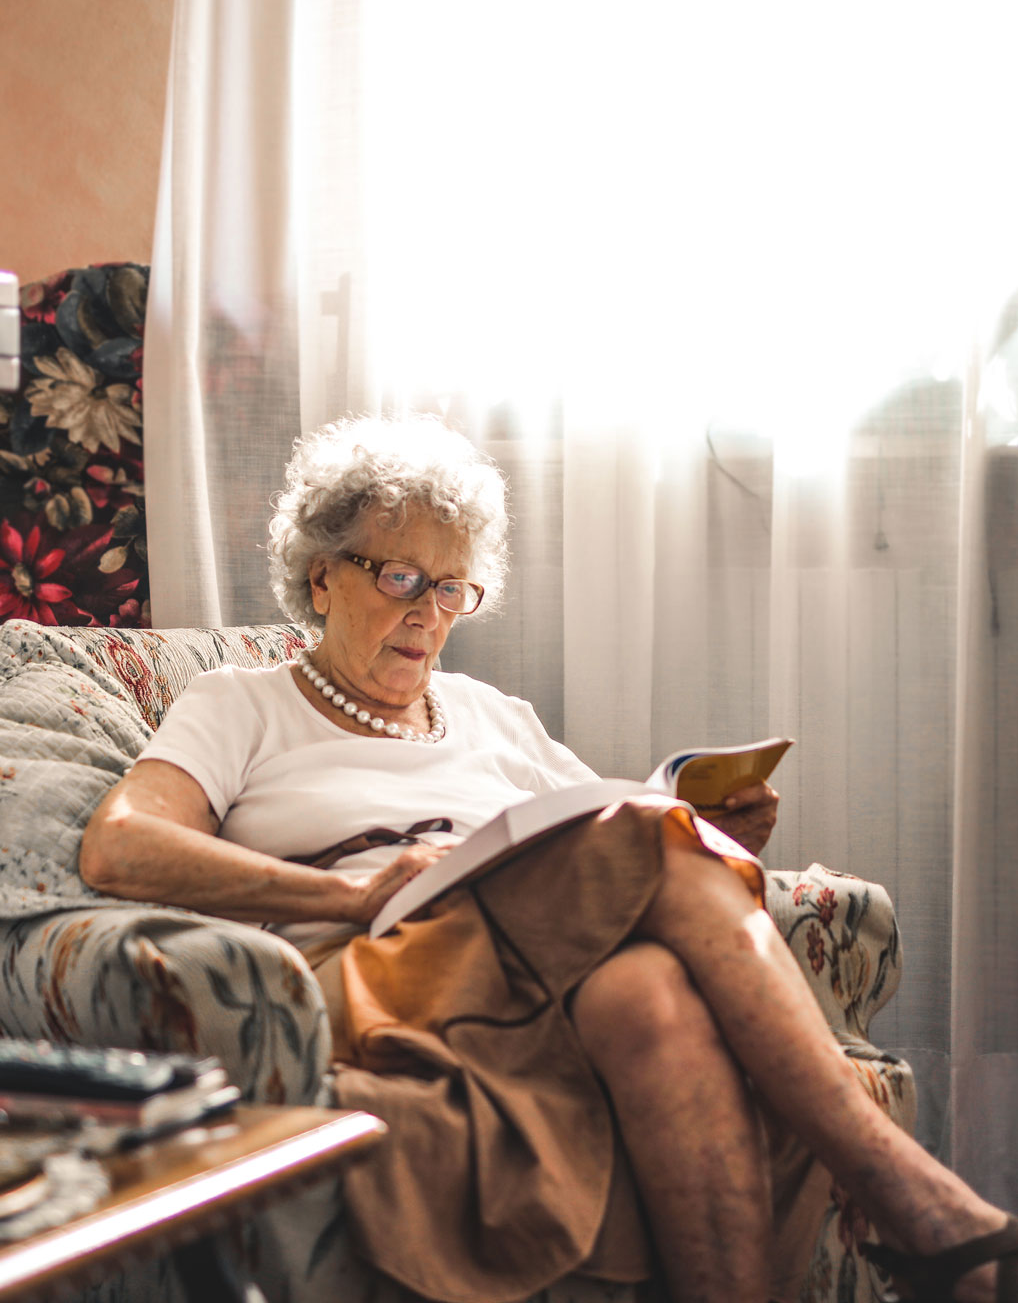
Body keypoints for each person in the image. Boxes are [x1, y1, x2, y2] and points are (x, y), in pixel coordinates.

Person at [80, 414, 1017, 1303]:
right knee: (650, 844)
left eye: (452, 588)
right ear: (322, 575)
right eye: (402, 578)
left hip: (528, 976)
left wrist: (715, 834)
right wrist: (342, 896)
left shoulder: (493, 713)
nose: (430, 614)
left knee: (648, 992)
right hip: (374, 962)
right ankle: (915, 1198)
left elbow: (606, 842)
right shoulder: (241, 702)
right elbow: (121, 846)